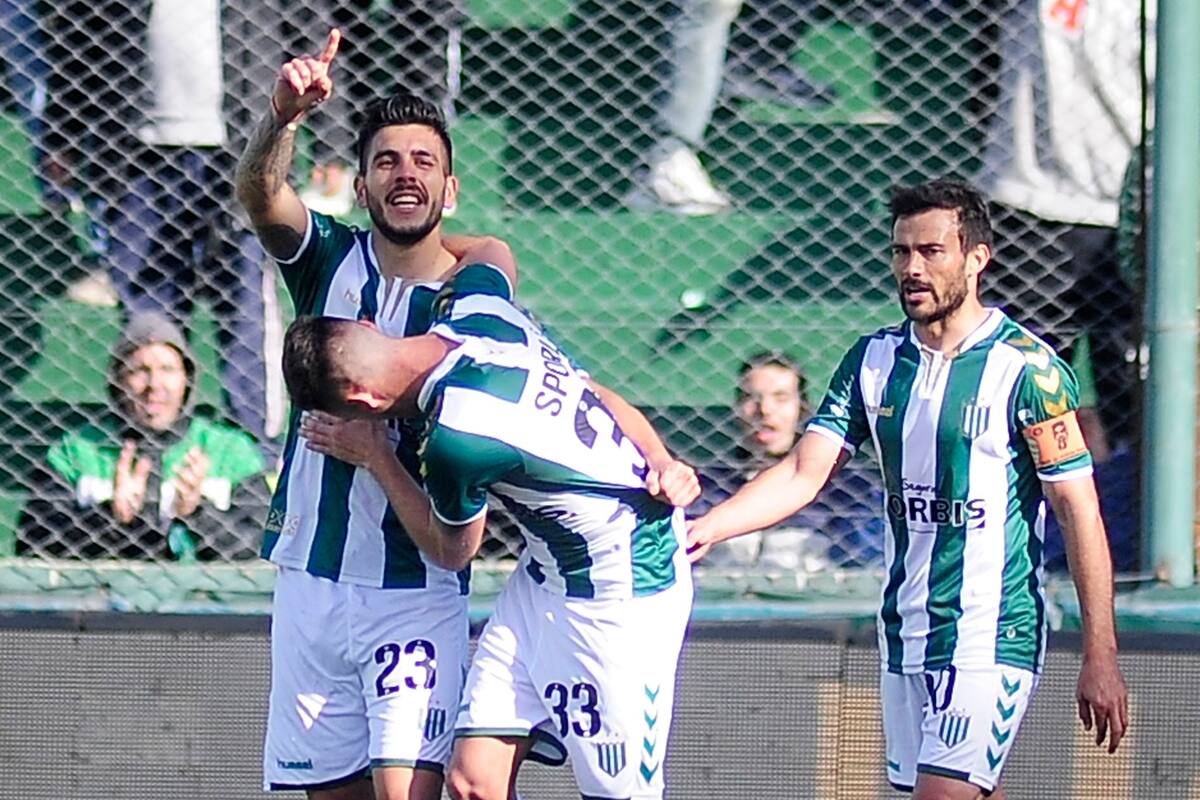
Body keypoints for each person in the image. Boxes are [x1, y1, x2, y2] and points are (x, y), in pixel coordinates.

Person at [688, 179, 1129, 799]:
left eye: (931, 251)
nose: (913, 268)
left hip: (989, 632)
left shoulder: (1028, 371)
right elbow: (801, 473)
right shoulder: (872, 361)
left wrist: (1100, 654)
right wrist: (709, 526)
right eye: (901, 252)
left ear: (977, 259)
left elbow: (1079, 509)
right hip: (905, 631)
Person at [280, 258, 699, 800]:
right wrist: (658, 457)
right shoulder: (478, 307)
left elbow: (451, 549)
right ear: (368, 327)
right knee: (473, 782)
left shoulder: (458, 437)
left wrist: (376, 456)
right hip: (543, 574)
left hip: (620, 590)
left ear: (365, 404)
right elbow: (492, 249)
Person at [236, 30, 525, 800]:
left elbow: (495, 254)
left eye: (424, 162)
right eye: (387, 162)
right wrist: (284, 120)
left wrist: (375, 447)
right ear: (359, 188)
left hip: (413, 591)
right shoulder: (329, 261)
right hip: (312, 581)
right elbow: (262, 196)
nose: (406, 174)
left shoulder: (473, 288)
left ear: (449, 189)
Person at [101, 0, 282, 451]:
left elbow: (307, 30)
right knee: (149, 315)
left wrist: (331, 139)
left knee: (243, 305)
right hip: (138, 155)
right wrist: (66, 132)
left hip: (237, 151)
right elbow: (82, 36)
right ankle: (151, 445)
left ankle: (256, 454)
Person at [979, 0, 1153, 462]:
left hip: (1128, 209)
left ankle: (1133, 518)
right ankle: (1013, 520)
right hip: (1030, 203)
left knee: (1131, 394)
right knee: (1018, 391)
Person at [16, 312, 269, 561]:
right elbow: (32, 540)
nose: (154, 384)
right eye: (140, 370)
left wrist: (197, 513)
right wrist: (110, 519)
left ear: (187, 379)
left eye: (168, 369)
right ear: (118, 380)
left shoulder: (230, 450)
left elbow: (262, 544)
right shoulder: (75, 452)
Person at [693, 351, 883, 570]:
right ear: (736, 408)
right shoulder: (708, 487)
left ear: (802, 409)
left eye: (780, 398)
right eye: (751, 398)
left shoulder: (848, 490)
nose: (765, 410)